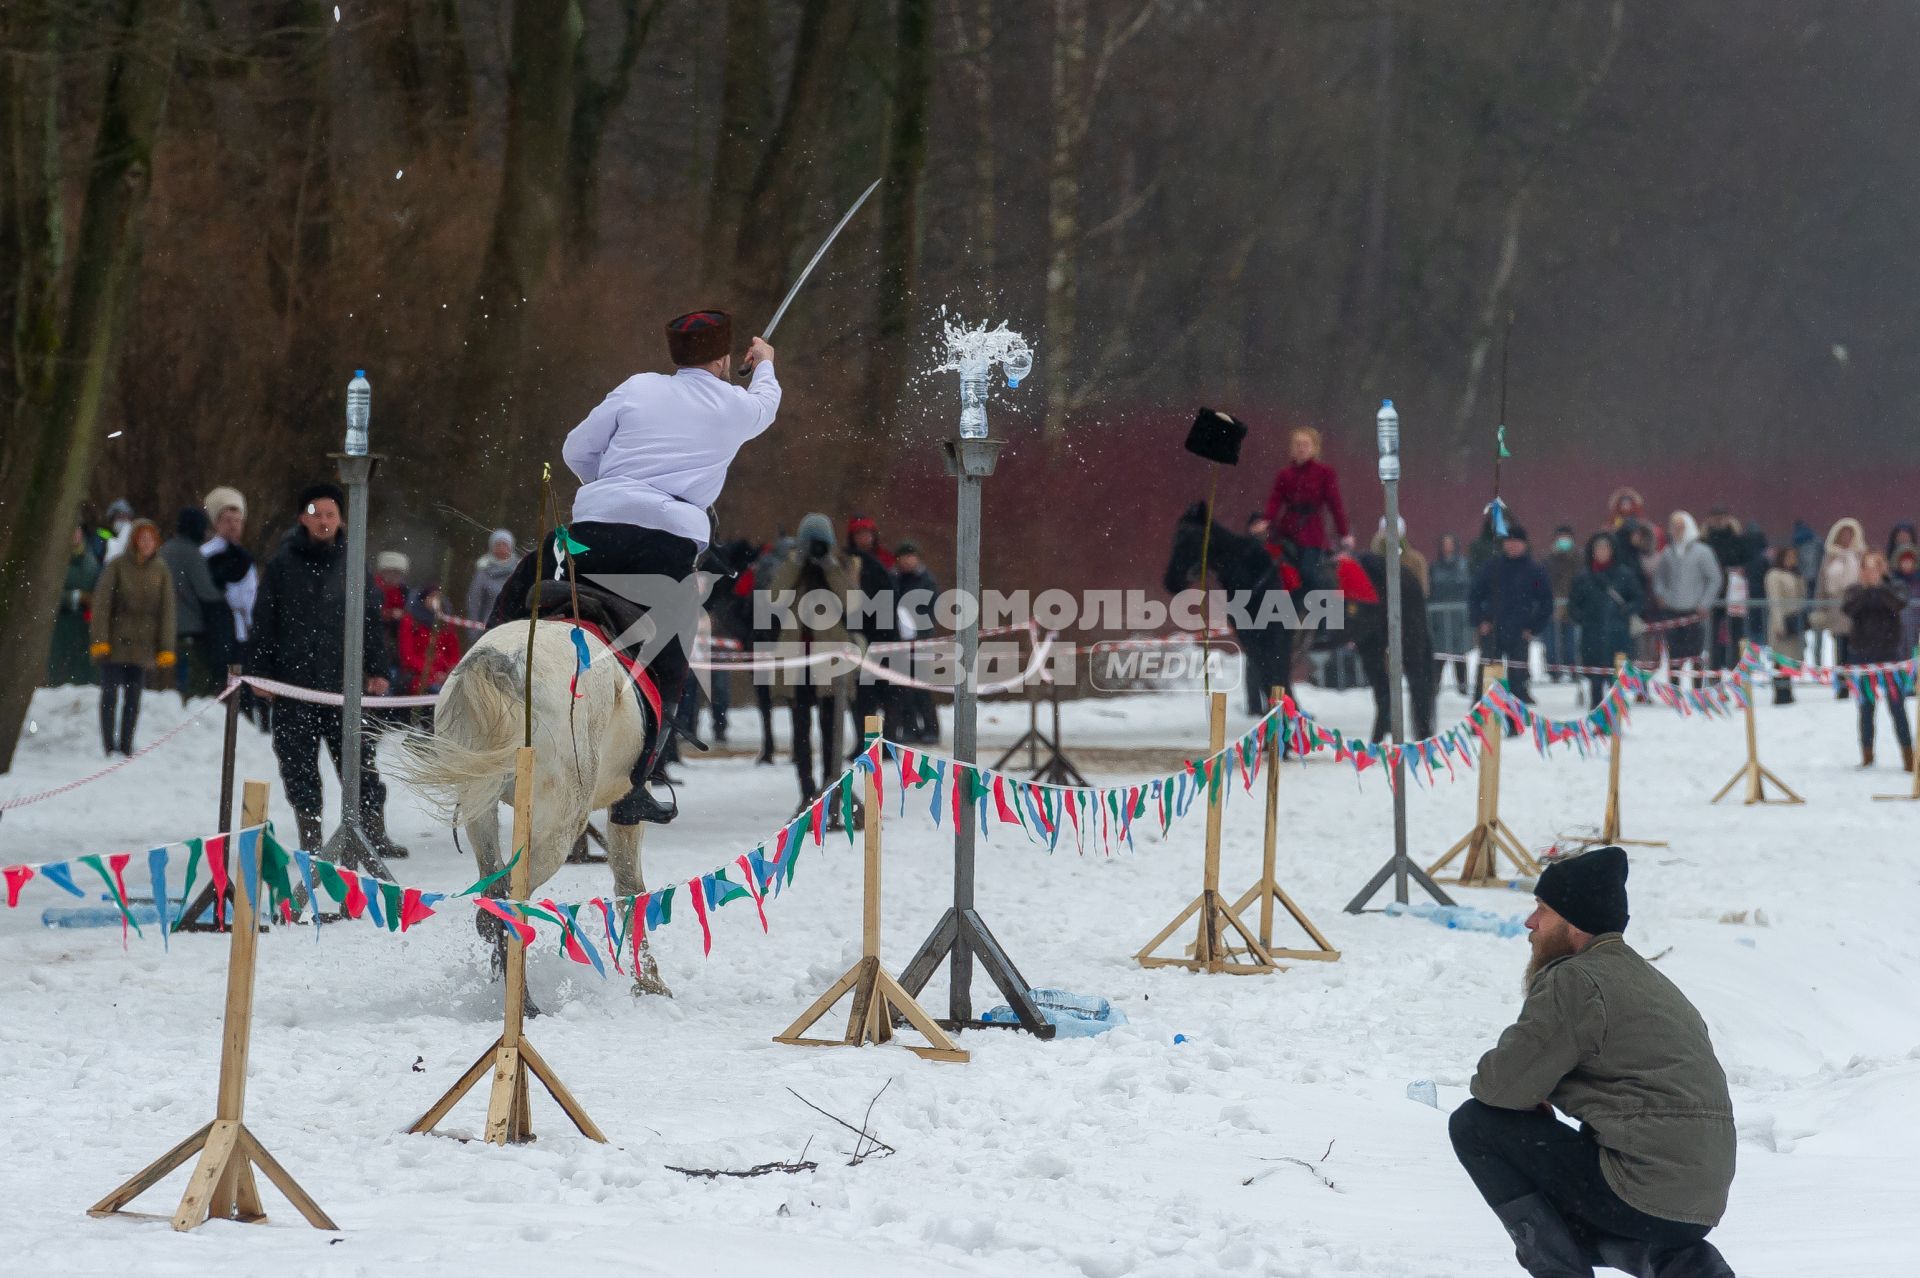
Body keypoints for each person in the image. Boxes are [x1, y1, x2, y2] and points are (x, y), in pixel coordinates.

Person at [489, 310, 779, 824]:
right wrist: (766, 365)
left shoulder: (638, 387)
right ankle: (638, 778)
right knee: (668, 655)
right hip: (663, 547)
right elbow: (766, 405)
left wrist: (615, 485)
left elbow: (575, 448)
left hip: (593, 533)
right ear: (723, 358)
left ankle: (479, 679)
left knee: (526, 579)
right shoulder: (734, 404)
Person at [1450, 845, 1736, 1278]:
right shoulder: (1651, 982)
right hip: (1698, 1200)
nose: (1530, 923)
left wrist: (1526, 1100)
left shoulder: (1577, 980)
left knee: (1477, 1124)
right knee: (1567, 1216)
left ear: (1574, 921)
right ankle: (1684, 1265)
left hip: (1642, 1188)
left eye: (1542, 910)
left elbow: (1498, 1087)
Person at [249, 483, 403, 857]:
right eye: (316, 513)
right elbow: (264, 620)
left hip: (342, 686)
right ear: (303, 518)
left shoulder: (353, 563)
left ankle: (371, 832)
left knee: (359, 762)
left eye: (331, 514)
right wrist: (260, 671)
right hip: (294, 685)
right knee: (298, 766)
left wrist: (377, 668)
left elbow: (369, 620)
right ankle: (313, 840)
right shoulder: (282, 564)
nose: (324, 521)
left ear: (341, 520)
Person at [766, 513, 858, 816]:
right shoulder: (792, 565)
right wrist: (797, 562)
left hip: (830, 663)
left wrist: (829, 566)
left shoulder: (844, 565)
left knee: (832, 732)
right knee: (800, 733)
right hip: (798, 663)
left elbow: (853, 603)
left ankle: (831, 792)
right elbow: (774, 599)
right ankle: (806, 793)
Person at [89, 519, 174, 755]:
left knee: (133, 698)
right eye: (142, 538)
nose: (146, 543)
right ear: (134, 540)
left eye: (151, 539)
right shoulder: (116, 566)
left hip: (143, 645)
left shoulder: (161, 571)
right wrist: (100, 640)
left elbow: (167, 612)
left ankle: (126, 744)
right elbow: (102, 605)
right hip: (115, 643)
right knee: (109, 694)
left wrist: (166, 647)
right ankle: (108, 745)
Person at [1842, 550, 1913, 771]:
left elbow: (1897, 605)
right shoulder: (1854, 590)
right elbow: (1851, 609)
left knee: (1897, 706)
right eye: (1868, 567)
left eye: (1877, 566)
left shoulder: (1895, 587)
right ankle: (1867, 753)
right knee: (1866, 707)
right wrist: (1867, 589)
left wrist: (1880, 586)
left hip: (1890, 655)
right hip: (1862, 655)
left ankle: (1908, 755)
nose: (1872, 571)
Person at [1469, 524, 1553, 706]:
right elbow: (1474, 595)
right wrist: (1480, 621)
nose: (1512, 545)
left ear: (1524, 544)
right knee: (1487, 676)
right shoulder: (1492, 567)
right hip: (1493, 630)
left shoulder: (1533, 569)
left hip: (1520, 632)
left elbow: (1546, 601)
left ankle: (1516, 717)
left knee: (1518, 677)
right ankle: (1481, 712)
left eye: (1517, 541)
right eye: (1509, 541)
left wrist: (1533, 627)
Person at [1261, 425, 1350, 588]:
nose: (1301, 448)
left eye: (1305, 444)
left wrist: (1344, 533)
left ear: (1315, 448)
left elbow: (1335, 505)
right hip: (1285, 531)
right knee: (1269, 568)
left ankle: (1304, 607)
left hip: (1311, 533)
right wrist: (1266, 521)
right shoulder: (1285, 474)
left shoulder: (1325, 473)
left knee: (1308, 573)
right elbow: (1275, 500)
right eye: (1297, 444)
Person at [1565, 533, 1642, 709]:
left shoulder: (1624, 574)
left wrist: (1625, 611)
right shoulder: (1583, 577)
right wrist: (1582, 617)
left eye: (1605, 548)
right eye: (1598, 548)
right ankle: (1596, 715)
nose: (1601, 552)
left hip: (1618, 634)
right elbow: (1573, 605)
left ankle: (1615, 718)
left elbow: (1637, 599)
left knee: (1616, 679)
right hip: (1592, 635)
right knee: (1595, 678)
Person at [159, 507, 228, 700]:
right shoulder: (191, 553)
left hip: (165, 627)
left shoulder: (165, 549)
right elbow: (207, 592)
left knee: (168, 683)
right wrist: (224, 592)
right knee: (196, 683)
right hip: (189, 628)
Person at [844, 513, 897, 755]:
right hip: (858, 636)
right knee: (861, 696)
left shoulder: (884, 561)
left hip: (885, 636)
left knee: (888, 694)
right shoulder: (846, 561)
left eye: (867, 534)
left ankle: (889, 742)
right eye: (859, 534)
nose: (864, 538)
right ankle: (864, 742)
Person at [1651, 512, 1720, 676]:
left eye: (1680, 527)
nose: (1677, 531)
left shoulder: (1703, 552)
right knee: (1674, 656)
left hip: (1694, 611)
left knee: (1696, 655)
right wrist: (1661, 595)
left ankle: (1697, 693)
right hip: (1672, 610)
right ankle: (1675, 691)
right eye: (1674, 527)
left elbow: (1714, 578)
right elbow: (1659, 577)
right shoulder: (1668, 552)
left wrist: (1704, 603)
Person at [200, 487, 258, 666]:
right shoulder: (205, 555)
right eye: (228, 520)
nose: (233, 525)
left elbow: (250, 595)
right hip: (213, 629)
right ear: (217, 523)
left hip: (240, 633)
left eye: (237, 521)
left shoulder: (245, 558)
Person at [893, 540, 941, 743]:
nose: (907, 561)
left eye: (911, 557)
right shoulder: (894, 578)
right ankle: (910, 727)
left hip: (921, 639)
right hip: (901, 640)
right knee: (903, 688)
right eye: (904, 557)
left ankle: (930, 728)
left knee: (922, 687)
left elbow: (932, 608)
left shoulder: (926, 580)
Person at [1812, 517, 1865, 698]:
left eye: (1849, 535)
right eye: (1843, 535)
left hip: (1857, 608)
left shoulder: (1860, 555)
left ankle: (1858, 684)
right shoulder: (1829, 556)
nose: (1846, 538)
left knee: (1857, 649)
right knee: (1840, 649)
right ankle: (1842, 686)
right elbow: (1822, 583)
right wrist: (1820, 608)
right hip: (1837, 609)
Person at [47, 524, 102, 687]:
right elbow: (47, 594)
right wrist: (76, 597)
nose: (74, 535)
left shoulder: (91, 557)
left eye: (77, 530)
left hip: (84, 624)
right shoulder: (54, 560)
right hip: (60, 624)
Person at [397, 584, 463, 695]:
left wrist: (448, 672)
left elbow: (454, 655)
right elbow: (408, 656)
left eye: (438, 597)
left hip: (444, 678)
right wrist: (431, 672)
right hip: (419, 677)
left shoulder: (446, 624)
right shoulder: (411, 621)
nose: (435, 601)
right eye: (432, 596)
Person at [1430, 532, 1472, 695]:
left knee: (1459, 653)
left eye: (1450, 543)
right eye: (1445, 544)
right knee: (1439, 653)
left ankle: (1462, 686)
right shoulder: (1435, 567)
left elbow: (1466, 587)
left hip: (1458, 616)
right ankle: (1435, 687)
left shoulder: (1463, 565)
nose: (1448, 547)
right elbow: (1432, 590)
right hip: (1439, 616)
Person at [1763, 545, 1806, 705]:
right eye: (1789, 557)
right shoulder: (1774, 575)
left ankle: (1788, 690)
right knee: (1779, 659)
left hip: (1794, 621)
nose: (1792, 561)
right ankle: (1780, 692)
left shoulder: (1795, 575)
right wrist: (1779, 624)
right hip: (1780, 621)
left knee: (1790, 659)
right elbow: (1775, 600)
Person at [1544, 525, 1580, 682]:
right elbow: (1546, 579)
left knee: (1572, 640)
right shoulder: (1549, 559)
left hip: (1572, 605)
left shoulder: (1579, 557)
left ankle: (1573, 667)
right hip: (1553, 605)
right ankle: (1553, 670)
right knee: (1551, 640)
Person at [465, 529, 517, 624]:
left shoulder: (521, 570)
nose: (501, 548)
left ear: (511, 547)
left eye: (504, 544)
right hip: (489, 628)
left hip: (515, 628)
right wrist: (474, 631)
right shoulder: (483, 571)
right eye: (498, 545)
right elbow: (474, 602)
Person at [374, 551, 410, 684]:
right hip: (380, 639)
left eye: (398, 573)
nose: (395, 577)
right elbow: (371, 612)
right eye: (392, 572)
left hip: (397, 644)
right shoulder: (373, 589)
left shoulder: (404, 592)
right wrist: (388, 614)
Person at [98, 498, 136, 563]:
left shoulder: (133, 534)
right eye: (119, 517)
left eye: (124, 516)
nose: (121, 520)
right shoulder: (104, 533)